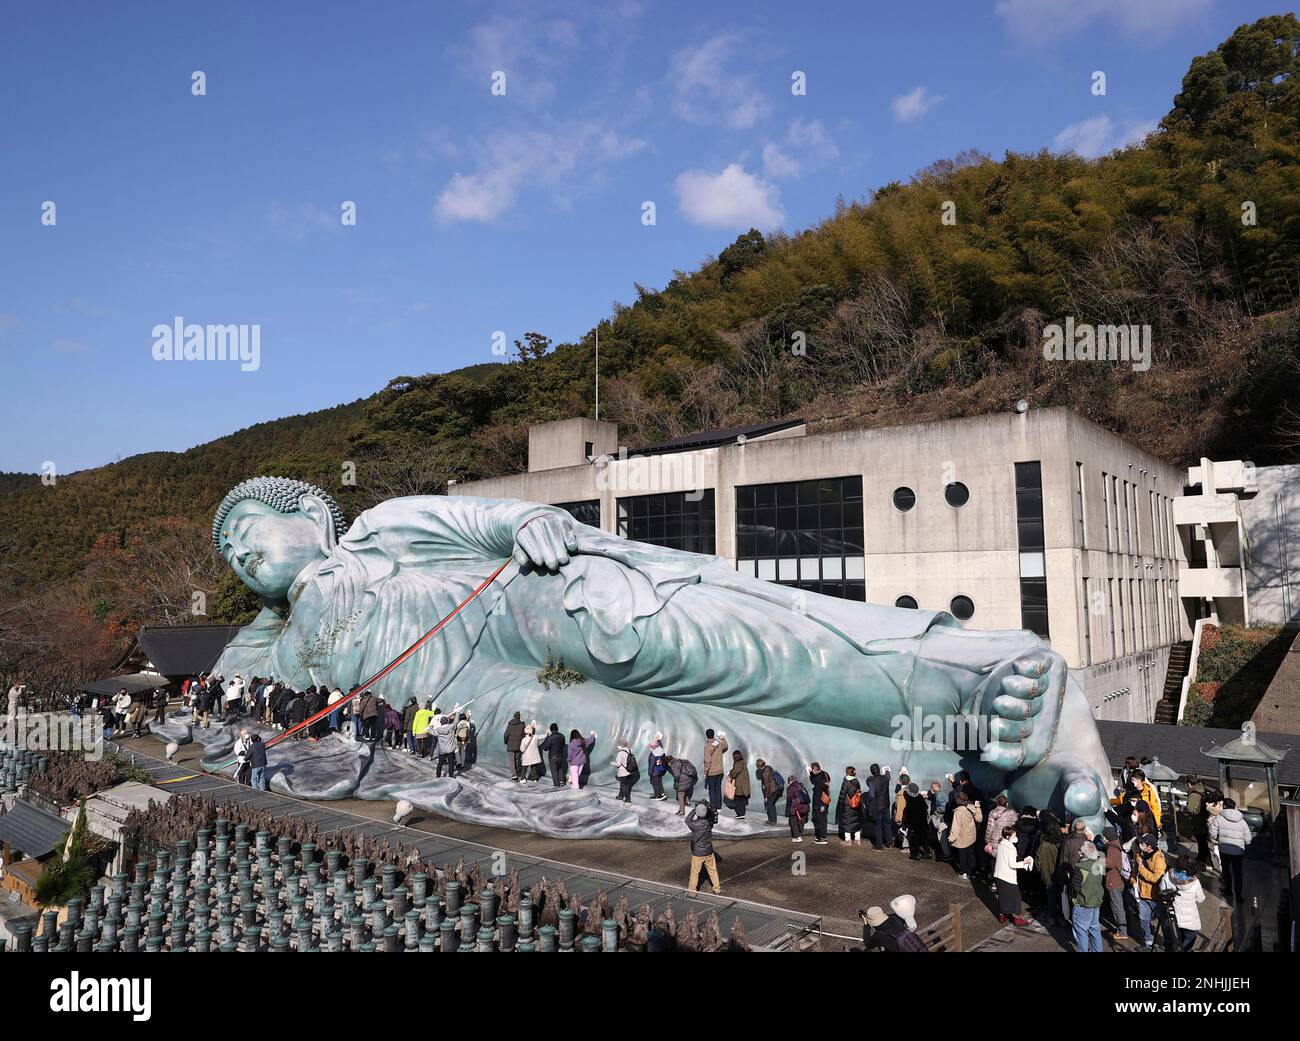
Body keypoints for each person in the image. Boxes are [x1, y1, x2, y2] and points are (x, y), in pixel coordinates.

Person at [1208, 798, 1252, 903]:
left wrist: (1218, 839)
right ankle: (1238, 895)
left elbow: (1212, 831)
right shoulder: (1242, 821)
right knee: (1237, 873)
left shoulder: (1219, 818)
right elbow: (1248, 838)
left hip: (1224, 849)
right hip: (1238, 851)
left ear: (1224, 807)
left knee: (1226, 871)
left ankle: (1228, 890)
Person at [1134, 833, 1172, 952]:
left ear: (1149, 846)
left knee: (1164, 922)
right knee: (1143, 920)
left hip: (1155, 896)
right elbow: (1136, 871)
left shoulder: (1158, 859)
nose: (1140, 845)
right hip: (1143, 894)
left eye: (1143, 843)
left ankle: (1168, 943)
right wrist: (1133, 880)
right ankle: (1148, 943)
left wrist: (1142, 869)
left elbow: (1157, 878)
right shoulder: (1141, 856)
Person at [1068, 831, 1105, 951]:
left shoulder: (1080, 868)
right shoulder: (1099, 865)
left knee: (1081, 930)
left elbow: (1076, 887)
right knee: (1094, 928)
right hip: (1096, 902)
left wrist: (1070, 877)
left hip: (1083, 903)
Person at [993, 824, 1033, 925]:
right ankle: (1017, 918)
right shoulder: (1011, 848)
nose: (1016, 838)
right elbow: (1012, 864)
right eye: (1014, 836)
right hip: (1008, 876)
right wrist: (1025, 862)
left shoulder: (1001, 844)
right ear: (1008, 837)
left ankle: (1002, 914)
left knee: (1003, 896)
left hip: (999, 874)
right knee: (1016, 897)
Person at [685, 801, 721, 895]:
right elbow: (712, 817)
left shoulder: (695, 825)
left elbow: (687, 820)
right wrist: (707, 809)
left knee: (695, 873)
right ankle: (717, 889)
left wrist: (695, 809)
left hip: (698, 853)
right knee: (713, 871)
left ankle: (692, 891)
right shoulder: (709, 823)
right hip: (709, 851)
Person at [1102, 827, 1131, 941]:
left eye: (1104, 836)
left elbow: (1110, 863)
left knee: (1117, 907)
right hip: (1120, 880)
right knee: (1121, 905)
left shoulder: (1111, 848)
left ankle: (1122, 931)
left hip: (1114, 881)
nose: (1103, 838)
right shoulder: (1118, 844)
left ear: (1107, 837)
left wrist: (1099, 859)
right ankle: (1125, 928)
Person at [1170, 859, 1206, 951]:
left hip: (1175, 915)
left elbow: (1162, 887)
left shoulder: (1171, 876)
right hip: (1190, 918)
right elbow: (1201, 899)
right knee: (1191, 936)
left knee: (1180, 935)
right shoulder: (1194, 882)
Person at [948, 793, 982, 880]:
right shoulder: (972, 807)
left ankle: (963, 872)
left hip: (962, 837)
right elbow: (979, 819)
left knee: (962, 855)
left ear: (959, 800)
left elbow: (956, 826)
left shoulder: (958, 812)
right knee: (971, 854)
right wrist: (978, 808)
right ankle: (972, 872)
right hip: (972, 835)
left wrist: (951, 838)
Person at [984, 794, 1018, 878]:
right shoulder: (1012, 813)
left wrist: (987, 841)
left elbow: (989, 828)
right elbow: (1015, 823)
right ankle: (1002, 879)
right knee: (1004, 860)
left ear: (997, 803)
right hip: (1006, 840)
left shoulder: (992, 812)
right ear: (1007, 804)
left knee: (993, 860)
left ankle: (993, 881)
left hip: (994, 840)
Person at [902, 783, 934, 860]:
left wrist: (905, 822)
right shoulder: (920, 797)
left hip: (913, 821)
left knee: (914, 838)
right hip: (922, 820)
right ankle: (928, 852)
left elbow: (908, 811)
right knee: (924, 837)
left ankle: (915, 854)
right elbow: (926, 807)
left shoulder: (909, 800)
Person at [836, 765, 867, 845]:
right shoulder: (857, 781)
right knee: (856, 821)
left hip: (847, 805)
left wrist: (839, 806)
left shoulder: (846, 782)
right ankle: (857, 839)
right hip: (856, 804)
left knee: (847, 822)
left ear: (847, 772)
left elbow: (842, 795)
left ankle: (848, 840)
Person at [866, 763, 892, 850]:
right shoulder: (885, 778)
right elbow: (888, 774)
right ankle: (889, 843)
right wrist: (887, 770)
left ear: (872, 772)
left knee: (878, 826)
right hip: (886, 805)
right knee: (887, 824)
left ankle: (879, 845)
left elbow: (872, 795)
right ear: (879, 769)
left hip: (877, 806)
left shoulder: (872, 781)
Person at [702, 729, 729, 811]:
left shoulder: (707, 747)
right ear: (713, 735)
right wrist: (722, 738)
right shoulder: (718, 744)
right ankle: (719, 807)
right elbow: (726, 747)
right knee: (718, 789)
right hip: (720, 771)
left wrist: (705, 772)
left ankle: (713, 807)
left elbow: (707, 761)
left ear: (706, 735)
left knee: (712, 790)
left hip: (712, 772)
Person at [755, 758, 783, 825]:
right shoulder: (769, 768)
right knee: (772, 804)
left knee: (769, 805)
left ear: (758, 766)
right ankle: (773, 820)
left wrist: (766, 796)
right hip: (776, 789)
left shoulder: (765, 772)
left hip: (772, 790)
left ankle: (772, 821)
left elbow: (767, 785)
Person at [808, 763, 831, 844]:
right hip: (824, 800)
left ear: (814, 769)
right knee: (821, 819)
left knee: (821, 819)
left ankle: (823, 838)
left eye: (812, 769)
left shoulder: (818, 778)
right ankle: (820, 836)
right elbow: (815, 782)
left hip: (820, 803)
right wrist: (812, 773)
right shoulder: (825, 774)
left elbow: (814, 781)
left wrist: (811, 773)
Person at [724, 750, 751, 819]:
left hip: (740, 784)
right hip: (743, 784)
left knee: (738, 799)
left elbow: (734, 773)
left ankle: (740, 814)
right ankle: (742, 813)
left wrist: (730, 773)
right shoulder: (743, 762)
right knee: (742, 800)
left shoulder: (738, 763)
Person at [929, 780, 951, 860]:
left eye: (932, 787)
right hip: (944, 818)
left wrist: (937, 810)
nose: (931, 789)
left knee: (942, 836)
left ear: (934, 787)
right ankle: (947, 852)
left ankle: (947, 854)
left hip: (941, 819)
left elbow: (944, 807)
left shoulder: (939, 795)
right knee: (943, 835)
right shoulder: (942, 793)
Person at [434, 710, 460, 777]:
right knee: (451, 763)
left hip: (442, 750)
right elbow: (456, 721)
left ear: (441, 723)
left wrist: (431, 726)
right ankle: (451, 776)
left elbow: (431, 731)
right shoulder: (451, 727)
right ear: (447, 721)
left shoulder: (438, 730)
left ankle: (438, 776)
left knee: (440, 763)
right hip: (450, 749)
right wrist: (457, 712)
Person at [785, 774, 810, 841]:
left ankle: (797, 837)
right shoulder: (802, 785)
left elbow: (789, 798)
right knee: (801, 821)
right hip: (805, 807)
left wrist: (790, 808)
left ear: (790, 781)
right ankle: (799, 834)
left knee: (792, 822)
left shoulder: (791, 787)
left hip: (796, 807)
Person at [541, 723, 566, 787]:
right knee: (560, 769)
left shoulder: (550, 738)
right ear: (557, 729)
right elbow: (563, 745)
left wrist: (546, 737)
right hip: (561, 756)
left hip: (553, 757)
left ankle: (556, 785)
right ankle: (561, 781)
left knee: (554, 771)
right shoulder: (562, 736)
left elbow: (545, 748)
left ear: (551, 729)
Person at [504, 711, 527, 780]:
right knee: (517, 759)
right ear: (519, 717)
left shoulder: (510, 725)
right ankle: (518, 772)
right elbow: (524, 735)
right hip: (519, 745)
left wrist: (506, 742)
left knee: (512, 760)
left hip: (510, 745)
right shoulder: (522, 725)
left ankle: (514, 774)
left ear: (514, 717)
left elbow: (506, 735)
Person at [646, 734, 668, 800]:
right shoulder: (660, 749)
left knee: (655, 783)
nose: (649, 747)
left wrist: (650, 773)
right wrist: (658, 739)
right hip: (660, 769)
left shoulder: (654, 754)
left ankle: (658, 795)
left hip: (655, 771)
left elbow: (652, 765)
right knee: (659, 782)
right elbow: (660, 744)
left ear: (653, 747)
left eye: (650, 746)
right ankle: (662, 794)